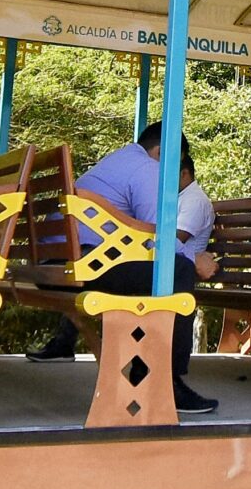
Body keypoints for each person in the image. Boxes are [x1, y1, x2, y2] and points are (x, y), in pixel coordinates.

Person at [32, 122, 218, 415]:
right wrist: (196, 260)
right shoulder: (146, 168)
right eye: (177, 161)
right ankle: (165, 380)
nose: (173, 170)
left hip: (52, 266)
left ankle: (146, 371)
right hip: (81, 267)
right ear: (161, 152)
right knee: (178, 269)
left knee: (156, 273)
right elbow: (158, 234)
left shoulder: (115, 162)